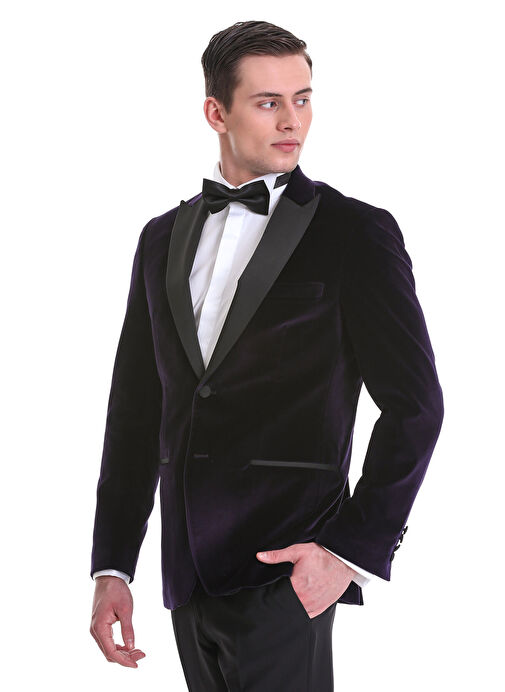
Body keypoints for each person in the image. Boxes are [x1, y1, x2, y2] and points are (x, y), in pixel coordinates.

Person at [89, 19, 444, 691]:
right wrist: (113, 566)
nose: (292, 121)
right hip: (185, 578)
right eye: (267, 102)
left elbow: (416, 408)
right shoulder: (159, 239)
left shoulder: (356, 233)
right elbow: (136, 413)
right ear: (215, 113)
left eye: (302, 99)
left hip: (289, 570)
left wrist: (347, 553)